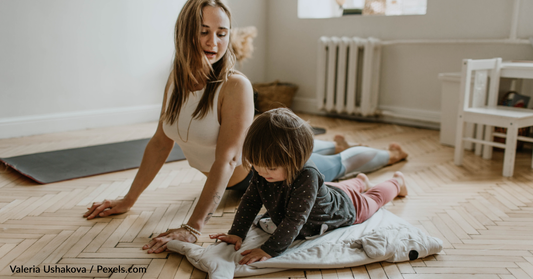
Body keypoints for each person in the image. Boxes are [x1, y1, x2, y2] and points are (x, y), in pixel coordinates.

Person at [82, 0, 408, 254]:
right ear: (184, 32)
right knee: (320, 152)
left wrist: (194, 227)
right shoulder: (176, 81)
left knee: (337, 165)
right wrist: (128, 200)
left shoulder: (234, 86)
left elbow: (226, 161)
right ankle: (331, 145)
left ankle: (388, 156)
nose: (214, 41)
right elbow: (159, 143)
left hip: (261, 176)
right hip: (255, 164)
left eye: (222, 33)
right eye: (204, 31)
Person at [209, 108, 408, 265]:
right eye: (256, 165)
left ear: (295, 159)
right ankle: (360, 181)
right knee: (336, 189)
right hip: (328, 192)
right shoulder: (263, 171)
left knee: (373, 199)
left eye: (270, 167)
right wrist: (237, 232)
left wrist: (269, 249)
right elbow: (251, 201)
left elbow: (295, 219)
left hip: (345, 208)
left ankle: (397, 183)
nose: (261, 172)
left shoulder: (307, 175)